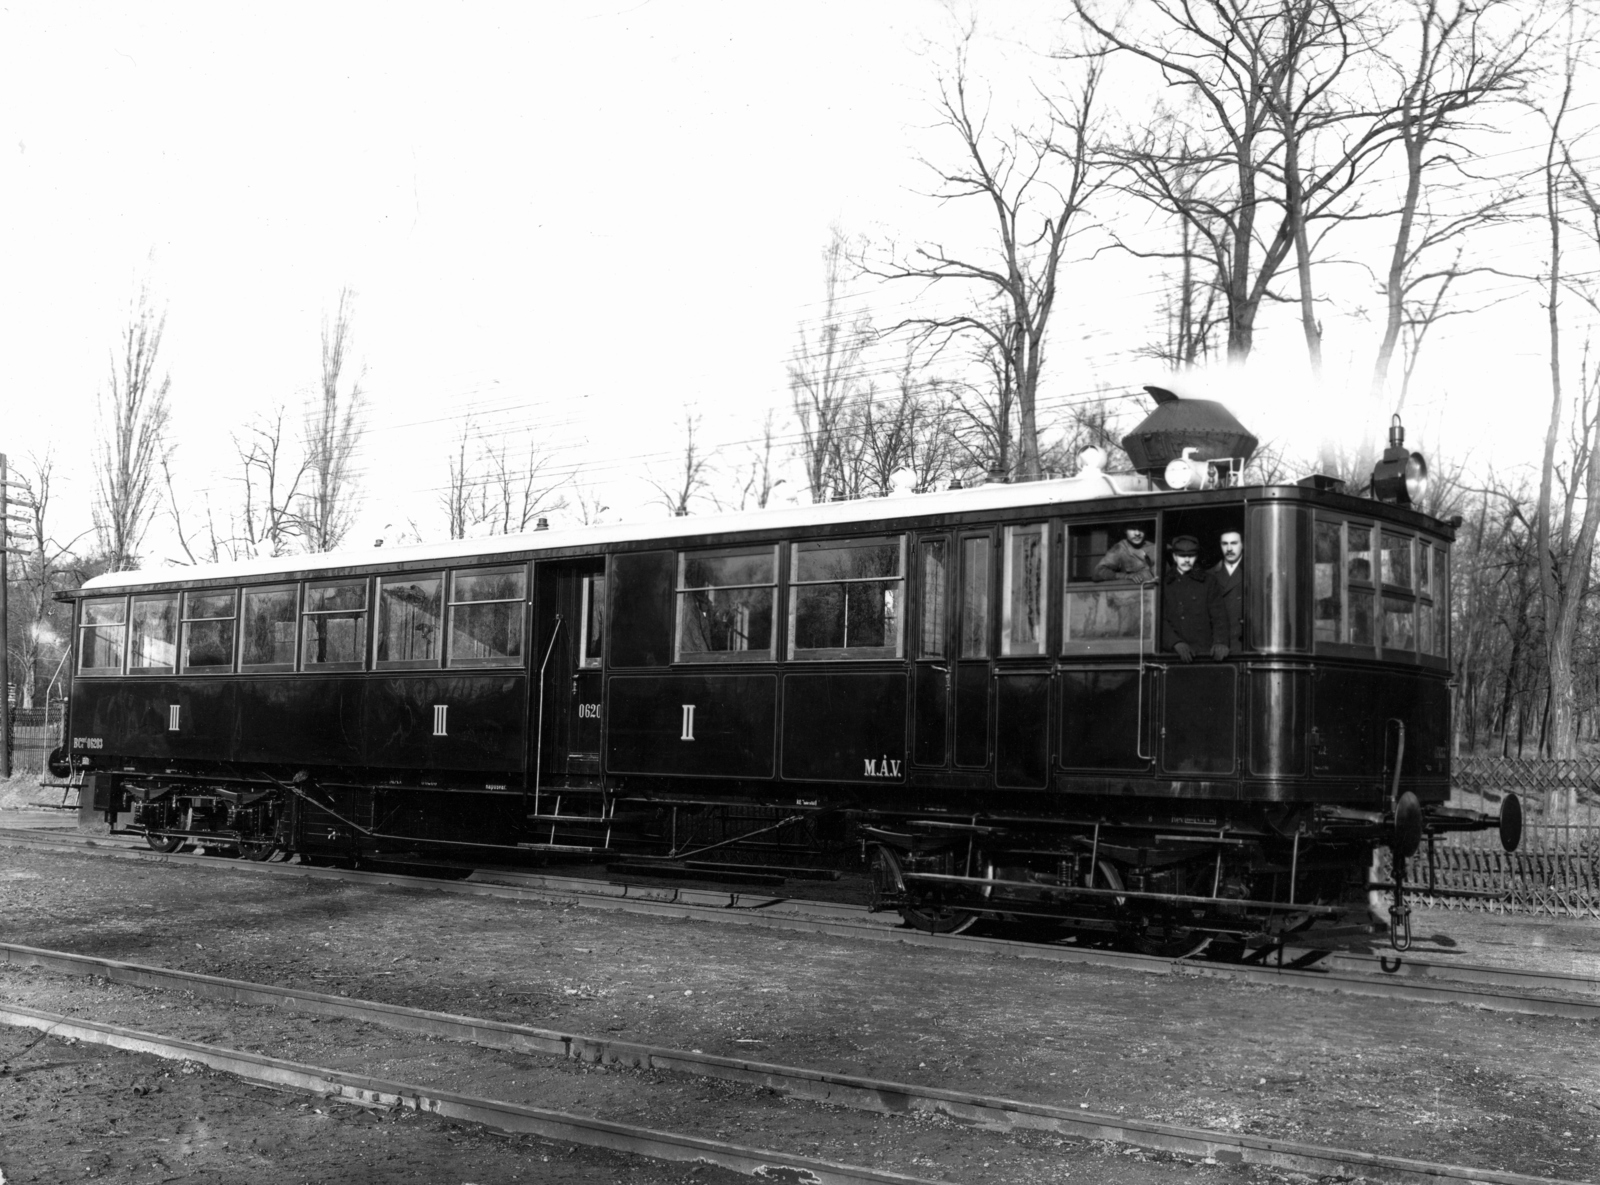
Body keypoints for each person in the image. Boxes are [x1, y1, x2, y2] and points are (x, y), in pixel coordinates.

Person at [1162, 535, 1226, 662]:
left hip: (1203, 653)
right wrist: (1175, 643)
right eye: (1182, 556)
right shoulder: (1164, 584)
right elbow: (1159, 620)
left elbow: (1219, 615)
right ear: (1174, 557)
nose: (1187, 560)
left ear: (1196, 557)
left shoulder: (1208, 582)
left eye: (1191, 556)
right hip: (1172, 655)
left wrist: (1220, 642)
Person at [1209, 529, 1244, 659]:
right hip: (1218, 649)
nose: (1229, 548)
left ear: (1243, 544)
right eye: (1225, 544)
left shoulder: (1253, 571)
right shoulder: (1210, 575)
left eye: (1234, 543)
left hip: (1244, 648)